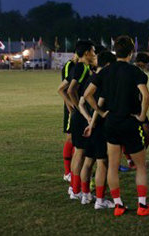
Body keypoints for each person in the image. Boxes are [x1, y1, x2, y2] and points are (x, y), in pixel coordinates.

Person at [84, 35, 149, 216]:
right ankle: (142, 205)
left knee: (112, 166)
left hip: (111, 122)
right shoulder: (134, 71)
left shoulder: (105, 71)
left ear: (116, 51)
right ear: (131, 53)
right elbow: (146, 96)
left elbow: (87, 94)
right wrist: (142, 116)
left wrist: (100, 112)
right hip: (130, 122)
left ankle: (118, 205)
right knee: (140, 166)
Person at [79, 50, 116, 208]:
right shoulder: (104, 78)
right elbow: (100, 102)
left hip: (89, 123)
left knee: (88, 161)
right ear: (108, 64)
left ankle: (85, 195)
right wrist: (94, 121)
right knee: (102, 163)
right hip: (99, 125)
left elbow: (81, 102)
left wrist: (88, 121)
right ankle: (100, 200)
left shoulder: (91, 78)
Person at [66, 40, 96, 200]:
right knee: (81, 153)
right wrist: (79, 108)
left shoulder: (80, 67)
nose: (94, 54)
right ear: (86, 53)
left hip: (80, 115)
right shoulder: (82, 67)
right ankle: (77, 190)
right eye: (93, 51)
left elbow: (64, 89)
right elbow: (71, 90)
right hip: (82, 116)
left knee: (79, 152)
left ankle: (75, 189)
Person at [57, 53, 78, 183]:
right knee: (70, 137)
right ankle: (67, 172)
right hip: (71, 107)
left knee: (77, 139)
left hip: (78, 106)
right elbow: (64, 88)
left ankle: (74, 171)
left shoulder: (80, 66)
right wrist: (70, 104)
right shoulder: (69, 65)